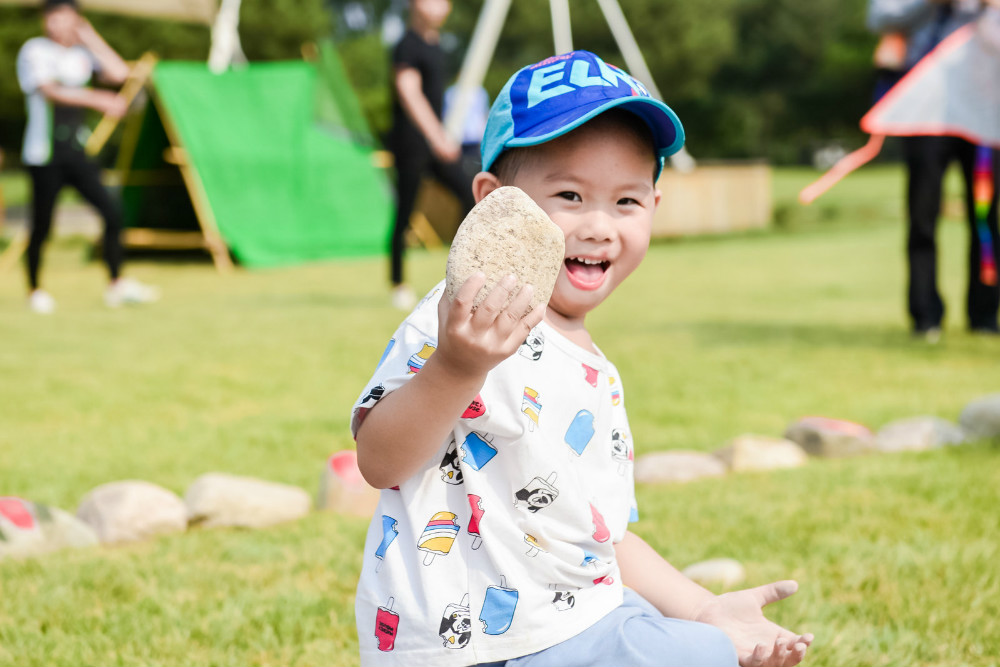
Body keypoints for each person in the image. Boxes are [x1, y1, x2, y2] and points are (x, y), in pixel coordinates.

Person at [351, 51, 813, 667]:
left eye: (627, 202)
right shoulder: (462, 317)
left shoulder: (597, 369)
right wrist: (456, 369)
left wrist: (703, 607)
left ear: (655, 205)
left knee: (678, 633)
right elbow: (380, 461)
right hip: (471, 645)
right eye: (570, 194)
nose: (599, 226)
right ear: (495, 205)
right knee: (690, 654)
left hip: (567, 619)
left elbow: (599, 536)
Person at [868, 0, 1000, 339]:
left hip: (981, 117)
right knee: (922, 219)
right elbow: (879, 18)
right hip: (925, 115)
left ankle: (984, 315)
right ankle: (926, 317)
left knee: (985, 218)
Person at [16, 0, 158, 314]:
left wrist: (89, 36)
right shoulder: (35, 50)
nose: (57, 24)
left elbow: (121, 73)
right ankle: (35, 289)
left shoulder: (81, 55)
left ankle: (116, 284)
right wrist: (97, 98)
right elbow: (49, 89)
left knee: (112, 211)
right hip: (44, 154)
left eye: (65, 18)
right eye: (52, 18)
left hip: (78, 152)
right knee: (42, 226)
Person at [387, 0, 475, 311]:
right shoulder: (406, 45)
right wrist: (436, 135)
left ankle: (467, 274)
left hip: (437, 140)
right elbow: (408, 91)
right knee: (405, 212)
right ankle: (398, 283)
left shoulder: (437, 45)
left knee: (469, 195)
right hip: (412, 142)